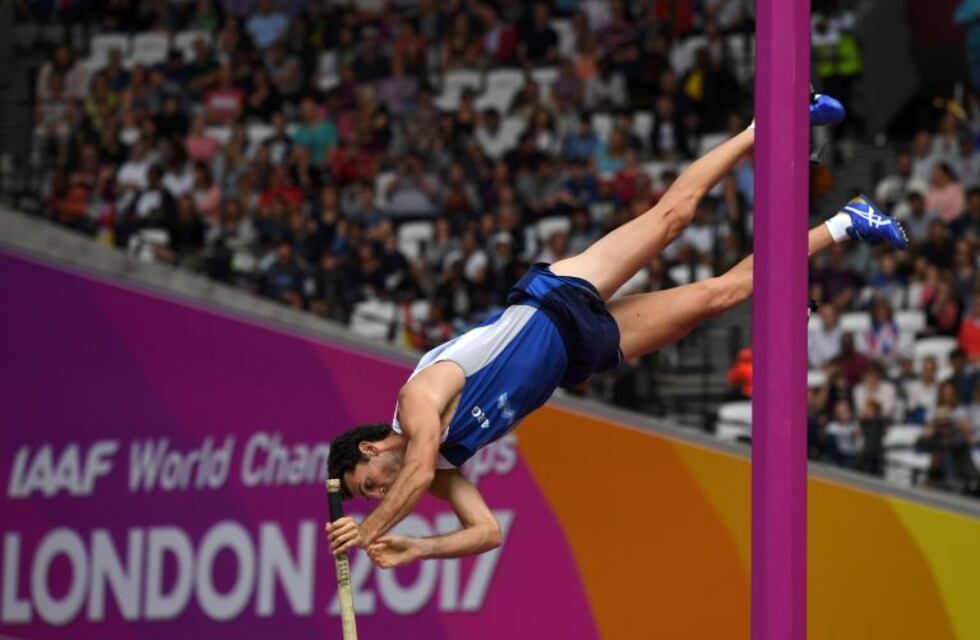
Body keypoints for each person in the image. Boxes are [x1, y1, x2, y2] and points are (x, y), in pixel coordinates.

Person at [325, 99, 908, 567]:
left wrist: (368, 529)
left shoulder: (415, 403)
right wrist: (419, 546)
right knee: (718, 296)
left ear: (372, 449)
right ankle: (846, 223)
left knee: (673, 217)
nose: (376, 492)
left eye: (368, 482)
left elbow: (419, 471)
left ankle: (769, 121)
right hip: (577, 354)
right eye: (370, 495)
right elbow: (486, 533)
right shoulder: (443, 465)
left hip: (556, 301)